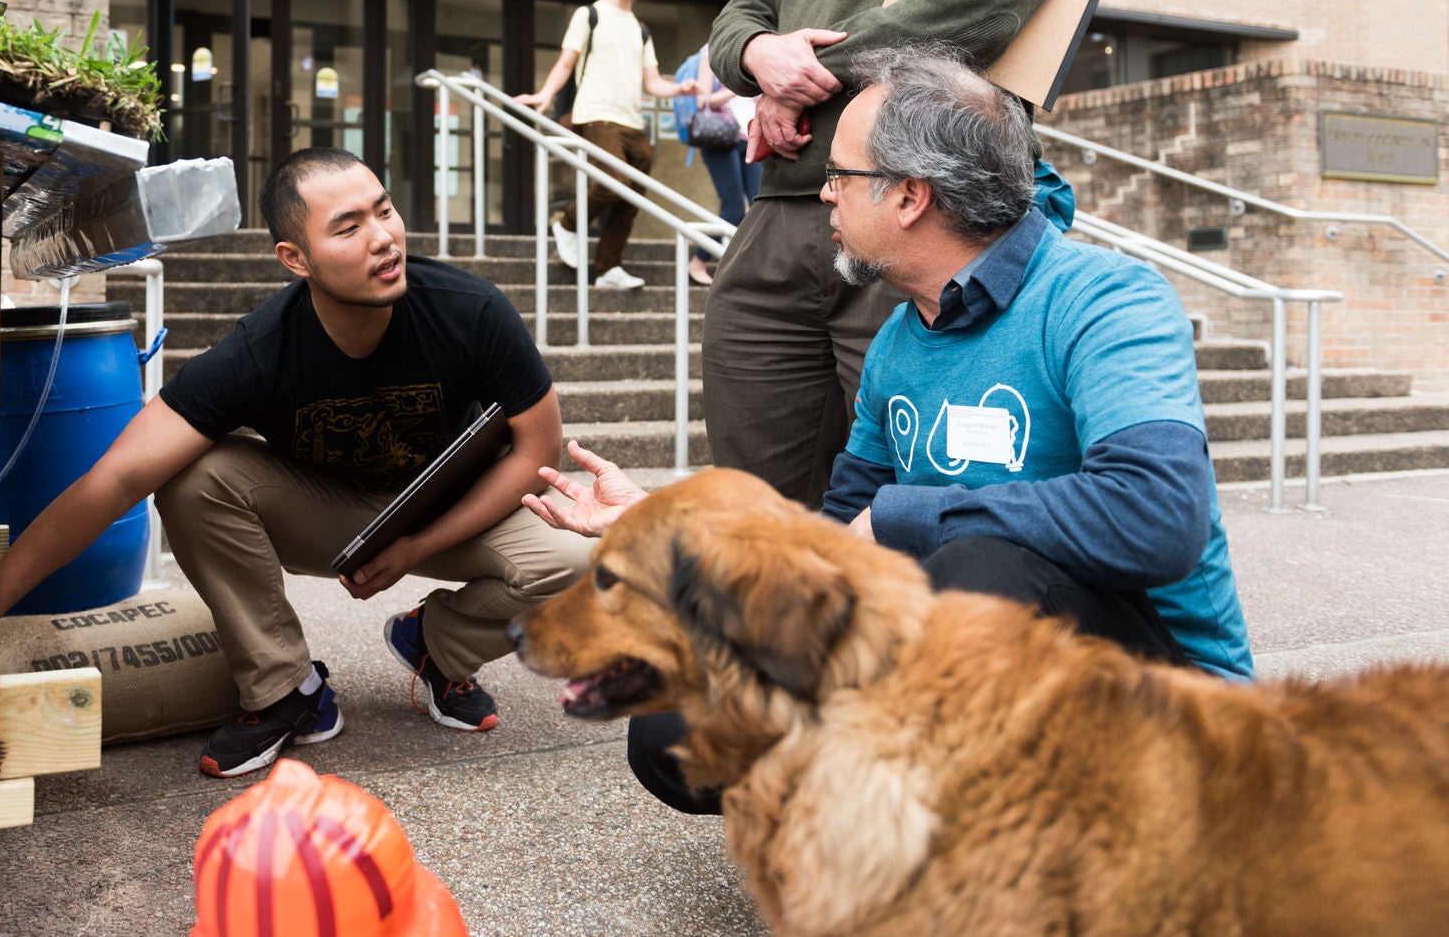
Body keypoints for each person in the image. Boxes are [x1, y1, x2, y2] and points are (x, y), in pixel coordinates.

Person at [524, 48, 1252, 815]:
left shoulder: (1107, 299)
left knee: (979, 566)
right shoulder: (901, 341)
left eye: (841, 174)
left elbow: (1159, 514)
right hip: (964, 668)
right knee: (679, 719)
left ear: (910, 195)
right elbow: (834, 548)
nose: (827, 195)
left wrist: (913, 514)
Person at [0, 148, 590, 779]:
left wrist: (415, 547)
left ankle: (438, 646)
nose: (384, 238)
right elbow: (115, 478)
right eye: (348, 226)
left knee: (587, 559)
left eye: (384, 211)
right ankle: (287, 690)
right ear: (294, 259)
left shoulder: (469, 310)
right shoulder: (259, 352)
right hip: (331, 514)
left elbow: (535, 453)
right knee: (194, 475)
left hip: (454, 509)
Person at [703, 0, 1080, 507]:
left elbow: (984, 0)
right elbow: (736, 23)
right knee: (753, 501)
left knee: (920, 491)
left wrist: (813, 74)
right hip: (783, 214)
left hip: (923, 212)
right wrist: (764, 56)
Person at [515, 0, 699, 291]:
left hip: (633, 123)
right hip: (596, 114)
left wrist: (680, 89)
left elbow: (653, 82)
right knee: (615, 181)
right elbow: (567, 62)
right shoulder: (590, 15)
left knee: (631, 196)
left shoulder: (640, 28)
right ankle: (568, 223)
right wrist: (545, 93)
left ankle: (608, 268)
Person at [672, 48, 759, 287]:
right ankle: (698, 261)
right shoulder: (711, 53)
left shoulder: (756, 53)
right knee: (733, 210)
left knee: (759, 206)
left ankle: (748, 269)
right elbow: (703, 100)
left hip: (749, 137)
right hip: (719, 137)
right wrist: (737, 89)